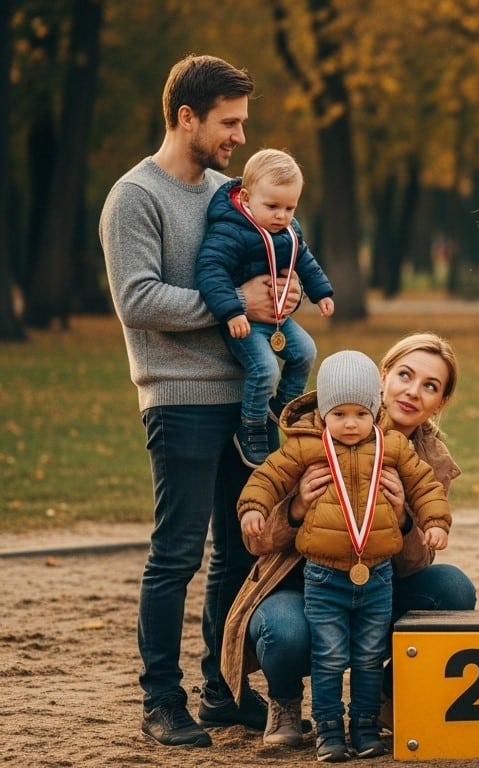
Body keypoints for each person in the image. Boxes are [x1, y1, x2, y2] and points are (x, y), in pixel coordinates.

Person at [99, 53, 306, 748]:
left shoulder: (232, 194)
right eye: (229, 122)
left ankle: (224, 690)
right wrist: (234, 304)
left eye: (243, 123)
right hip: (179, 397)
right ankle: (161, 700)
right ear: (186, 117)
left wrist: (280, 295)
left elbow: (265, 265)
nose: (241, 136)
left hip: (248, 399)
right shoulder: (135, 197)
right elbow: (137, 300)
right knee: (177, 554)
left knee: (239, 552)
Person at [222, 332, 475, 748]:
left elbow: (418, 562)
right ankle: (285, 702)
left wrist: (405, 520)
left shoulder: (427, 459)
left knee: (452, 588)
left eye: (430, 386)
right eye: (405, 375)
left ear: (441, 402)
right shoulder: (313, 435)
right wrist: (296, 508)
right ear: (382, 377)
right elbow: (257, 539)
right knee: (284, 630)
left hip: (378, 583)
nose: (413, 391)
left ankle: (386, 697)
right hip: (307, 587)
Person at [197, 147, 336, 467]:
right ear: (246, 198)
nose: (282, 216)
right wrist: (233, 310)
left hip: (277, 321)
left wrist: (321, 292)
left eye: (290, 207)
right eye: (272, 206)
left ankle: (282, 405)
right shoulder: (231, 230)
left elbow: (305, 260)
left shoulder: (288, 230)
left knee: (306, 352)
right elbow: (211, 270)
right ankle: (251, 426)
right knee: (265, 369)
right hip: (243, 323)